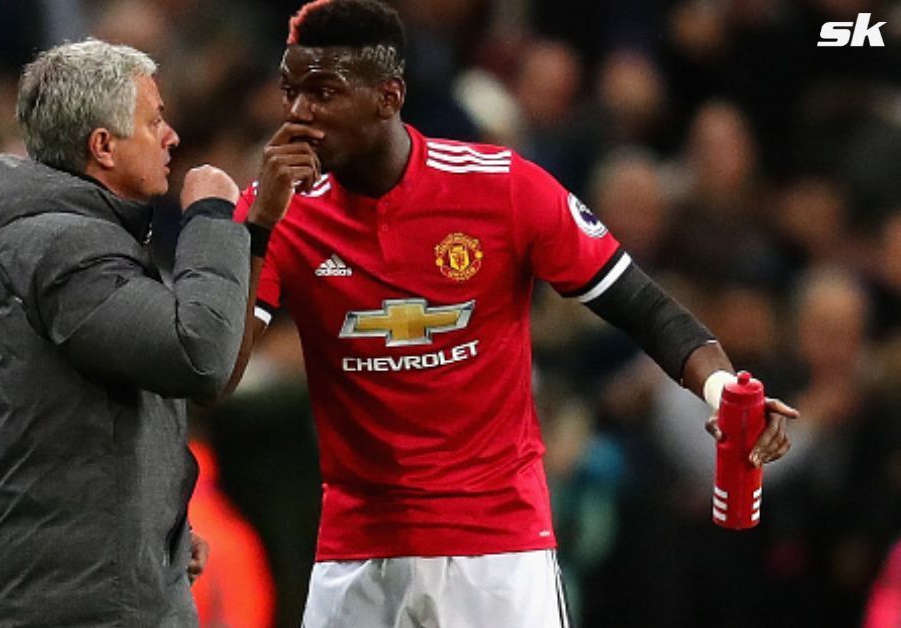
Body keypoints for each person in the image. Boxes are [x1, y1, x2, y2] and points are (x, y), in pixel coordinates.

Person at [225, 1, 800, 626]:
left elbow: (641, 304)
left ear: (388, 96)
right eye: (291, 91)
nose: (299, 114)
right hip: (358, 551)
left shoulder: (502, 189)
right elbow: (216, 373)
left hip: (498, 549)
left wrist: (719, 389)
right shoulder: (278, 211)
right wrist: (257, 228)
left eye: (323, 93)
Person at [0, 39, 269, 627]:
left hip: (86, 589)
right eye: (154, 120)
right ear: (103, 146)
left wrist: (155, 530)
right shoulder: (62, 246)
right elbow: (198, 355)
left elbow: (78, 426)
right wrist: (213, 221)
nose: (171, 137)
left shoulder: (65, 240)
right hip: (73, 606)